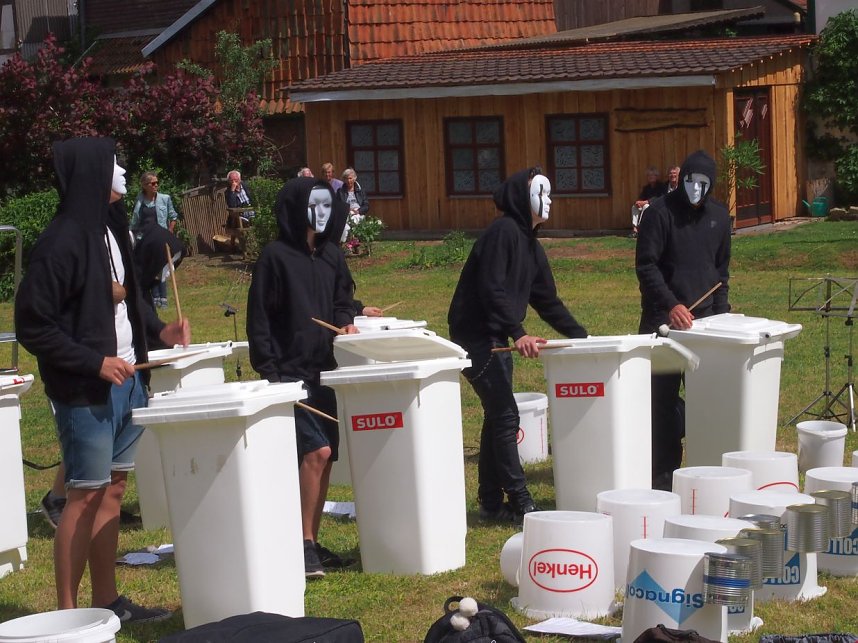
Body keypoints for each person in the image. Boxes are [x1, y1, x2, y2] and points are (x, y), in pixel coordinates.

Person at [15, 137, 190, 619]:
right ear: (93, 172)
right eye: (116, 163)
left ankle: (108, 601)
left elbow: (131, 305)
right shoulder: (61, 241)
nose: (126, 172)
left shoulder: (113, 228)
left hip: (130, 381)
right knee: (85, 492)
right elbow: (33, 325)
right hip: (85, 391)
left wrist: (161, 332)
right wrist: (94, 363)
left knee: (112, 488)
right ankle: (68, 617)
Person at [448, 167, 588, 524]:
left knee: (498, 414)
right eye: (542, 193)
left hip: (496, 335)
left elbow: (547, 301)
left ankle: (491, 502)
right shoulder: (503, 232)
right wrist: (518, 331)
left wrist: (583, 337)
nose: (549, 200)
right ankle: (522, 500)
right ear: (524, 198)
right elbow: (490, 288)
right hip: (476, 335)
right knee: (507, 415)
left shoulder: (531, 245)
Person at [246, 176, 358, 578]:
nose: (323, 214)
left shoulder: (330, 255)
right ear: (296, 208)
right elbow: (258, 319)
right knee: (316, 454)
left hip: (325, 370)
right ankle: (301, 543)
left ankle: (310, 536)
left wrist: (345, 322)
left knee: (328, 457)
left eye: (329, 206)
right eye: (316, 206)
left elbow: (343, 298)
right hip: (289, 375)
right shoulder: (274, 257)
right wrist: (271, 373)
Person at [635, 150, 731, 491]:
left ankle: (705, 475)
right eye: (690, 181)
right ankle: (662, 477)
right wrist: (671, 305)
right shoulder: (658, 213)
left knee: (707, 399)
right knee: (659, 401)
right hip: (662, 323)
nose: (695, 189)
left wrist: (722, 318)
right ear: (682, 179)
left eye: (703, 184)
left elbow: (721, 273)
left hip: (704, 326)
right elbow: (646, 266)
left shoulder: (720, 217)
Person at [131, 172, 179, 308]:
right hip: (144, 238)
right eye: (153, 183)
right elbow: (135, 220)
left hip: (160, 238)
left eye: (157, 182)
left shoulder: (165, 198)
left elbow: (173, 216)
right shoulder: (140, 200)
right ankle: (154, 298)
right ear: (145, 185)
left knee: (161, 267)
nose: (156, 185)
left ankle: (163, 299)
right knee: (149, 268)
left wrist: (169, 233)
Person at [631, 166, 667, 237]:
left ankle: (640, 227)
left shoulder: (661, 186)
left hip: (657, 207)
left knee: (645, 206)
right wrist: (638, 202)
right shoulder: (646, 187)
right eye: (649, 175)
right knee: (634, 207)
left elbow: (658, 197)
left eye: (652, 175)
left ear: (656, 176)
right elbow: (641, 197)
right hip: (646, 205)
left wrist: (645, 202)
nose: (650, 177)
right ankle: (634, 229)